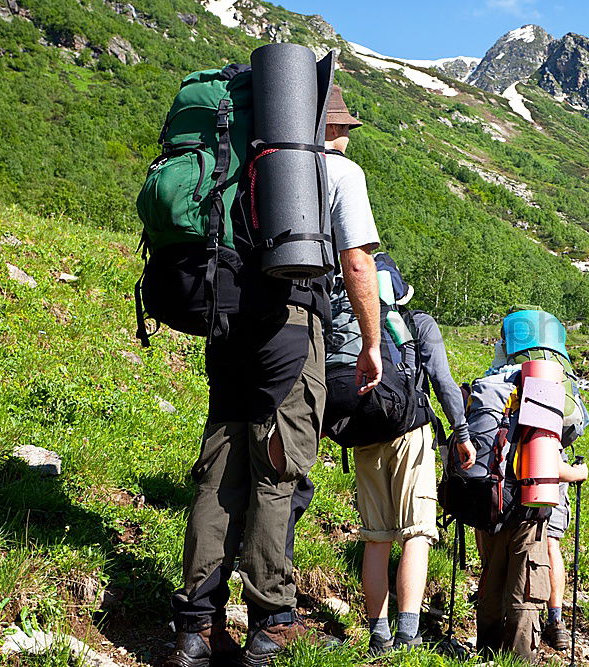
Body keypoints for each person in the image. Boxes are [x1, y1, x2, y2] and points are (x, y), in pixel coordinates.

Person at [165, 85, 382, 667]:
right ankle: (269, 623)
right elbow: (358, 260)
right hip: (289, 328)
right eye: (342, 127)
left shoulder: (239, 166)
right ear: (325, 126)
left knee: (218, 472)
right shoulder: (337, 172)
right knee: (276, 473)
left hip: (226, 319)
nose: (343, 137)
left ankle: (194, 626)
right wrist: (370, 341)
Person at [350, 254, 476, 656]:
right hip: (410, 430)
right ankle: (407, 635)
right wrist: (462, 432)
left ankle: (378, 636)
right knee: (416, 533)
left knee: (376, 537)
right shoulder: (418, 323)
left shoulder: (357, 323)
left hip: (365, 433)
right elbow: (441, 380)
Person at [476, 459, 588, 662]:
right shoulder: (538, 425)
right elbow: (549, 463)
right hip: (529, 512)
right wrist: (578, 473)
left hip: (493, 502)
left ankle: (486, 655)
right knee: (526, 589)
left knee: (492, 578)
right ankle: (522, 656)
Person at [542, 482, 572, 651]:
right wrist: (578, 473)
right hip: (550, 477)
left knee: (491, 524)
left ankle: (487, 595)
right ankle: (556, 621)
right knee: (551, 542)